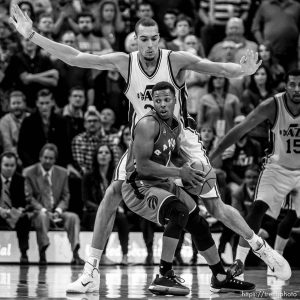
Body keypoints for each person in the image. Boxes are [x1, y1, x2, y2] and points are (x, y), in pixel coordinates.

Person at [9, 7, 288, 293]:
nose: (150, 45)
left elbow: (214, 67)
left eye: (154, 39)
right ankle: (90, 271)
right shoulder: (124, 62)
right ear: (135, 40)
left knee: (214, 204)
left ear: (160, 40)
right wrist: (33, 35)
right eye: (144, 39)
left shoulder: (175, 60)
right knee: (112, 192)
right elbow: (75, 57)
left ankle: (260, 247)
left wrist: (244, 70)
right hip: (146, 139)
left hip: (182, 137)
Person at [122, 81, 255, 294]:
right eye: (158, 101)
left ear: (175, 101)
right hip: (138, 185)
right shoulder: (147, 124)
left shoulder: (175, 124)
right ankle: (164, 276)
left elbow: (173, 154)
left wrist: (191, 168)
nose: (163, 104)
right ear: (152, 103)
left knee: (197, 221)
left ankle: (220, 277)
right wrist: (179, 173)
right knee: (178, 211)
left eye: (167, 100)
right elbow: (144, 166)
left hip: (160, 182)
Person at [210, 70, 300, 279]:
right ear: (285, 86)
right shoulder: (272, 105)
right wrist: (214, 154)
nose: (297, 89)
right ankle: (239, 261)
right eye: (293, 84)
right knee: (257, 208)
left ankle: (277, 257)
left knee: (292, 217)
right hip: (277, 168)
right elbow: (240, 129)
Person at [23, 143, 84, 265]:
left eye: (51, 158)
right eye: (45, 157)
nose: (47, 160)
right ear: (40, 157)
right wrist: (44, 210)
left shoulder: (62, 173)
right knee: (42, 216)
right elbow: (29, 197)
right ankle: (42, 252)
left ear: (55, 160)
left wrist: (58, 211)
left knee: (73, 217)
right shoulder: (29, 172)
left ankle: (75, 253)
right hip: (38, 211)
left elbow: (66, 196)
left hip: (56, 211)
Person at [82, 143, 129, 265]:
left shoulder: (116, 175)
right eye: (100, 152)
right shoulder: (88, 176)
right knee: (108, 216)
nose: (103, 155)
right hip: (91, 212)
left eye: (106, 152)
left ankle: (125, 256)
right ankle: (101, 256)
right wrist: (104, 209)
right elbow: (86, 201)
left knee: (122, 218)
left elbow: (120, 194)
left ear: (111, 157)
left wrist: (118, 207)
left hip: (112, 210)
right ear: (95, 156)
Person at [0, 151, 31, 264]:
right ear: (0, 165)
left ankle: (24, 253)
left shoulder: (20, 180)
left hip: (13, 214)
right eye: (6, 165)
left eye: (12, 165)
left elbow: (23, 203)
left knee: (24, 219)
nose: (9, 168)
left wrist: (14, 211)